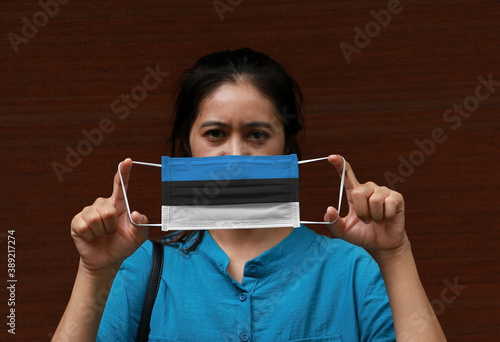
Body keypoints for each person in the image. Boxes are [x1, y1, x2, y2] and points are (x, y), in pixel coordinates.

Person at [54, 48, 446, 341]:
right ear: (187, 145)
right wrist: (94, 272)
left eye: (257, 134)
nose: (236, 154)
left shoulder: (352, 269)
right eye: (215, 134)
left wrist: (395, 255)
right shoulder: (142, 269)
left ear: (287, 149)